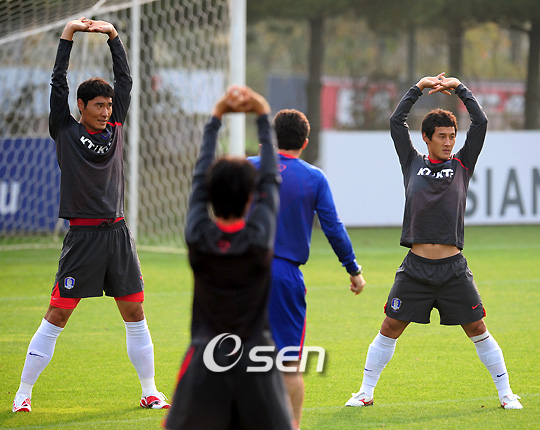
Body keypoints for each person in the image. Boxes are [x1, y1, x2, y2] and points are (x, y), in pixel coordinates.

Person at [12, 18, 169, 413]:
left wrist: (113, 36)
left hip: (118, 235)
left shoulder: (115, 127)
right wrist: (67, 36)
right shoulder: (64, 128)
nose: (105, 111)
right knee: (57, 315)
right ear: (81, 106)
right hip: (82, 239)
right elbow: (58, 84)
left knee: (135, 312)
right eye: (98, 105)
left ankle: (150, 390)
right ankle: (23, 393)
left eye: (109, 105)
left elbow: (125, 80)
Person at [345, 73, 522, 410]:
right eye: (442, 136)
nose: (449, 142)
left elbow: (481, 122)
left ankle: (506, 394)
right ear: (426, 138)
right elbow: (396, 121)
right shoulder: (412, 162)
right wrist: (419, 88)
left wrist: (459, 88)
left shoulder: (462, 164)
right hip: (416, 269)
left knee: (478, 328)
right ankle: (365, 392)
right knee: (390, 326)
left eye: (452, 136)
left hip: (453, 269)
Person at [164, 86, 294, 430]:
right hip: (256, 361)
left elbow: (199, 179)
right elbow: (271, 179)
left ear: (209, 194)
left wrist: (216, 117)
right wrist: (262, 113)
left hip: (206, 361)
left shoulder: (198, 238)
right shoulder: (258, 240)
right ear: (252, 197)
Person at [248, 109, 366, 427]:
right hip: (283, 275)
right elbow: (333, 228)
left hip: (242, 272)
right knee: (288, 363)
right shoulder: (313, 178)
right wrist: (353, 269)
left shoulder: (247, 167)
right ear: (305, 142)